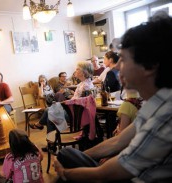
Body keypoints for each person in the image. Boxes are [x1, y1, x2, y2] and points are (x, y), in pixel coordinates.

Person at [54, 12, 172, 183]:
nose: (116, 67)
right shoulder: (155, 103)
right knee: (67, 154)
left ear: (149, 66)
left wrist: (67, 173)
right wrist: (78, 156)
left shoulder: (166, 114)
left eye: (123, 60)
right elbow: (117, 142)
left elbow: (107, 173)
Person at [30, 61, 94, 151]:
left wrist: (64, 103)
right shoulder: (82, 84)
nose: (75, 71)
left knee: (49, 112)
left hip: (76, 114)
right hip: (73, 110)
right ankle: (50, 144)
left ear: (84, 72)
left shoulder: (86, 86)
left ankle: (49, 141)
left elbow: (80, 104)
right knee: (50, 114)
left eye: (77, 69)